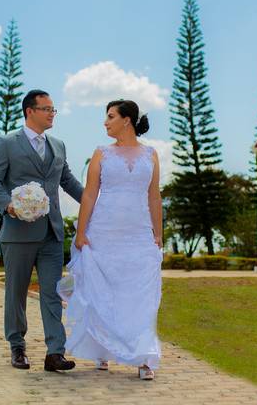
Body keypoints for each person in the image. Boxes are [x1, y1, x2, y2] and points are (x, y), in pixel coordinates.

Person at [62, 99, 163, 380]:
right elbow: (90, 194)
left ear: (127, 120)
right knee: (101, 293)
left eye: (110, 117)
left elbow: (154, 195)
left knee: (141, 298)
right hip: (103, 233)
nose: (105, 122)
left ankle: (144, 358)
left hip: (139, 235)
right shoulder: (101, 153)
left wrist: (158, 234)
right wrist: (81, 232)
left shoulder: (151, 154)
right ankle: (101, 351)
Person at [0, 89, 83, 371]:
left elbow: (68, 182)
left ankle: (55, 353)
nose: (53, 113)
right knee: (16, 293)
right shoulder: (7, 143)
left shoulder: (59, 145)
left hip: (51, 234)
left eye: (54, 109)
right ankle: (17, 347)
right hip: (17, 233)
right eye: (47, 108)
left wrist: (94, 202)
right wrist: (9, 205)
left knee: (53, 292)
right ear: (30, 111)